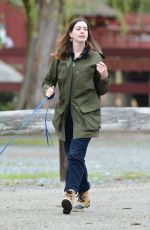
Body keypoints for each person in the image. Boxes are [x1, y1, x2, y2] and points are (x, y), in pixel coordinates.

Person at [42, 17, 110, 214]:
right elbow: (48, 81)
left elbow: (102, 89)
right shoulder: (60, 58)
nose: (82, 31)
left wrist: (104, 77)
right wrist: (48, 90)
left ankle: (69, 193)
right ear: (70, 33)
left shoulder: (96, 58)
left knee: (74, 155)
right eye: (78, 28)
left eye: (85, 29)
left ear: (87, 34)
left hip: (86, 116)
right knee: (75, 158)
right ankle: (85, 192)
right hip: (66, 117)